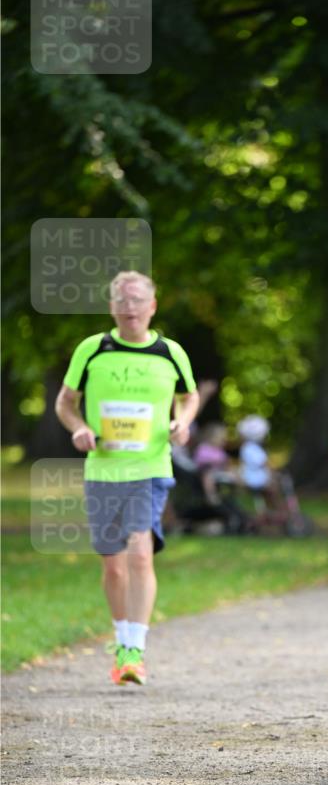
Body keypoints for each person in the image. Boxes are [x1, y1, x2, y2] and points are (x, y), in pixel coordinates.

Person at [55, 271, 199, 686]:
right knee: (114, 565)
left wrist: (182, 421)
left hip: (151, 467)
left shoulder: (170, 352)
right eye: (121, 300)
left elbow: (189, 397)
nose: (129, 307)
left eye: (137, 300)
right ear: (111, 306)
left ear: (152, 306)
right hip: (103, 468)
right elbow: (66, 403)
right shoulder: (92, 349)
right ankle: (120, 641)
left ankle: (135, 649)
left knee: (140, 553)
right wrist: (78, 428)